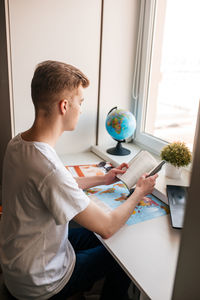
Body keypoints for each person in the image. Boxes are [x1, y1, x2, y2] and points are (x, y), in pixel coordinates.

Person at [0, 60, 158, 300]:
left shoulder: (18, 143)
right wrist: (140, 192)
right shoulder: (49, 168)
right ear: (64, 106)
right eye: (80, 102)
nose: (81, 109)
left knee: (89, 236)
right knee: (123, 256)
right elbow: (107, 227)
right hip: (40, 283)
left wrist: (103, 179)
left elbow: (53, 186)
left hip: (19, 265)